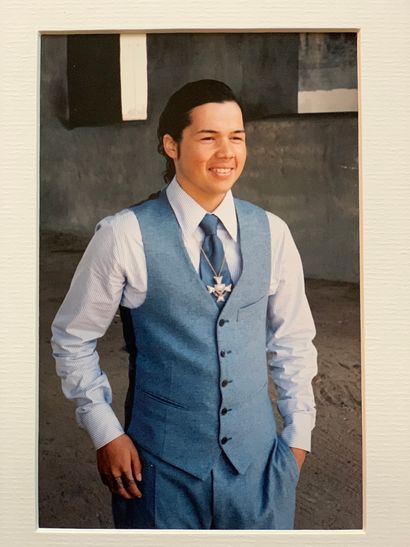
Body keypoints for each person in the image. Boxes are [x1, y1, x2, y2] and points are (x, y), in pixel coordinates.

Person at [51, 79, 317, 530]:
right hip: (158, 474)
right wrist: (106, 432)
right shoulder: (124, 234)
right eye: (209, 137)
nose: (226, 152)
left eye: (236, 137)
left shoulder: (274, 231)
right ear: (171, 145)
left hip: (259, 471)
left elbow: (292, 340)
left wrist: (296, 440)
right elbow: (72, 338)